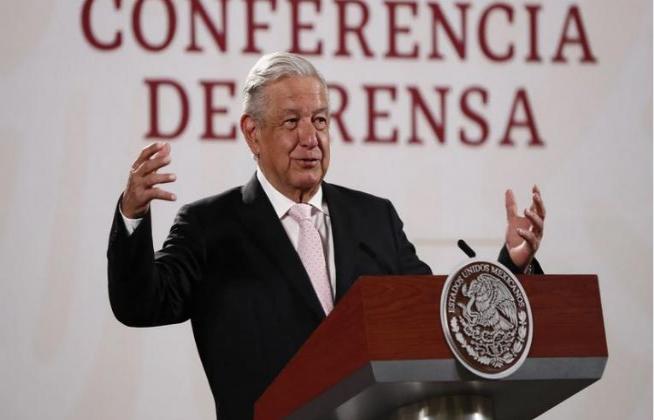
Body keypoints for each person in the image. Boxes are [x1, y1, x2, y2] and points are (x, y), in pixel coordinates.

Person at [107, 52, 545, 420]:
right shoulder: (209, 226)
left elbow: (433, 321)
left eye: (319, 120)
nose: (310, 138)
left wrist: (511, 265)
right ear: (253, 133)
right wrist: (133, 214)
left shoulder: (375, 218)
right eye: (291, 122)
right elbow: (141, 304)